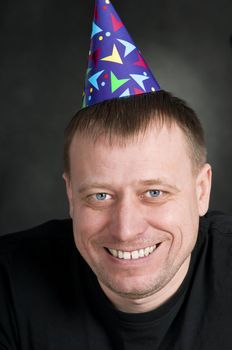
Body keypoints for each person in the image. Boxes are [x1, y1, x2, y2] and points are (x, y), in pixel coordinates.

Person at [1, 1, 232, 349]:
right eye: (100, 196)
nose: (126, 229)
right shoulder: (8, 281)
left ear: (201, 191)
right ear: (70, 196)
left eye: (154, 192)